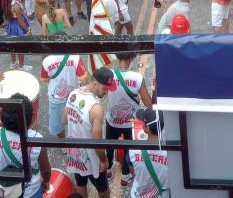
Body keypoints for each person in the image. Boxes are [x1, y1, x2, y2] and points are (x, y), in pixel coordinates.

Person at [63, 67, 116, 198]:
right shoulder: (96, 108)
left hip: (75, 155)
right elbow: (97, 143)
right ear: (94, 84)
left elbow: (64, 120)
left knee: (81, 185)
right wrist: (104, 161)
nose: (107, 92)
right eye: (105, 88)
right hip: (92, 159)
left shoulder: (73, 94)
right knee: (104, 191)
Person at [0, 93, 51, 198]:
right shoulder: (37, 140)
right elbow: (45, 171)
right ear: (30, 119)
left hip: (6, 191)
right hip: (30, 192)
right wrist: (46, 182)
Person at [106, 53, 152, 187]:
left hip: (112, 120)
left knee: (109, 146)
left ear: (117, 57)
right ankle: (125, 176)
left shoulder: (109, 75)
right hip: (130, 123)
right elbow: (147, 102)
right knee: (128, 149)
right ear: (132, 58)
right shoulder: (137, 78)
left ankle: (108, 170)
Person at [40, 49, 87, 138]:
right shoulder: (75, 57)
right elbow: (83, 79)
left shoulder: (47, 60)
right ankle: (74, 138)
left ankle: (63, 142)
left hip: (56, 99)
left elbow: (44, 79)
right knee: (75, 120)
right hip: (74, 97)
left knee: (57, 124)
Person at [128, 107, 169, 198]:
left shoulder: (133, 150)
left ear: (147, 127)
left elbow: (133, 172)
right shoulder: (173, 152)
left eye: (142, 121)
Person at [2, 0, 32, 71]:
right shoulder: (16, 6)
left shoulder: (11, 2)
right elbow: (20, 21)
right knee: (20, 46)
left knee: (13, 45)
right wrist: (28, 30)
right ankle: (22, 66)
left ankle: (13, 63)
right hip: (18, 27)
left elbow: (19, 0)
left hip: (11, 25)